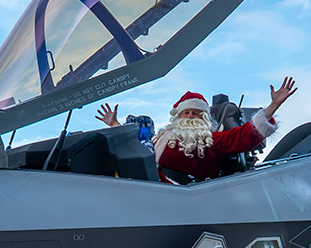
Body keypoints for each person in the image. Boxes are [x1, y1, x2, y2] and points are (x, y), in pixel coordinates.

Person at [97, 77, 298, 183]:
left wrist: (273, 106)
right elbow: (141, 151)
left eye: (196, 113)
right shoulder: (162, 138)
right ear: (178, 116)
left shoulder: (211, 140)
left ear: (204, 118)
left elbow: (244, 136)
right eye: (187, 113)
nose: (191, 117)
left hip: (180, 193)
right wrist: (115, 125)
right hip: (151, 186)